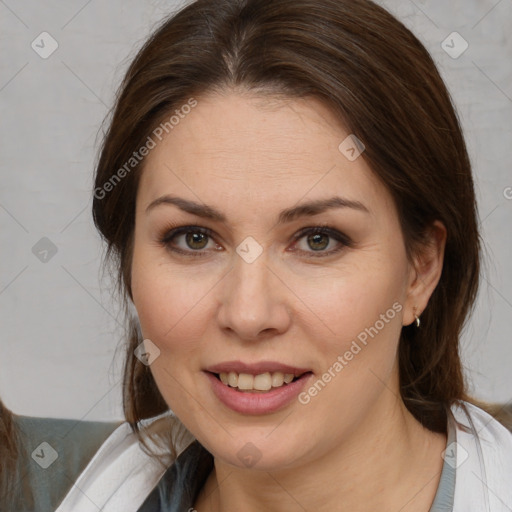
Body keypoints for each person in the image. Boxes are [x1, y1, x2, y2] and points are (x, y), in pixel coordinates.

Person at [4, 0, 512, 511]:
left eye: (318, 239)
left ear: (420, 269)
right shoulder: (32, 483)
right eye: (193, 238)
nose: (248, 314)